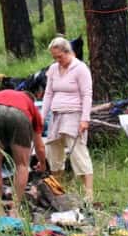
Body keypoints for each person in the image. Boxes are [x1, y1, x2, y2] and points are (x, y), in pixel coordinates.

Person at [0, 88, 47, 217]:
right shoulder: (31, 107)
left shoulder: (0, 94)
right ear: (31, 100)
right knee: (22, 165)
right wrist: (42, 164)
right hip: (20, 117)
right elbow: (39, 146)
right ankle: (15, 209)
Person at [40, 36, 95, 203]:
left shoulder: (80, 68)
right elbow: (48, 94)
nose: (58, 60)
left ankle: (89, 193)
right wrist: (42, 115)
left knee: (77, 152)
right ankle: (58, 191)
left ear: (67, 52)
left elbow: (87, 95)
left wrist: (85, 119)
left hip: (74, 113)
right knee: (53, 151)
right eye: (55, 57)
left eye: (60, 56)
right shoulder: (53, 69)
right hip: (56, 114)